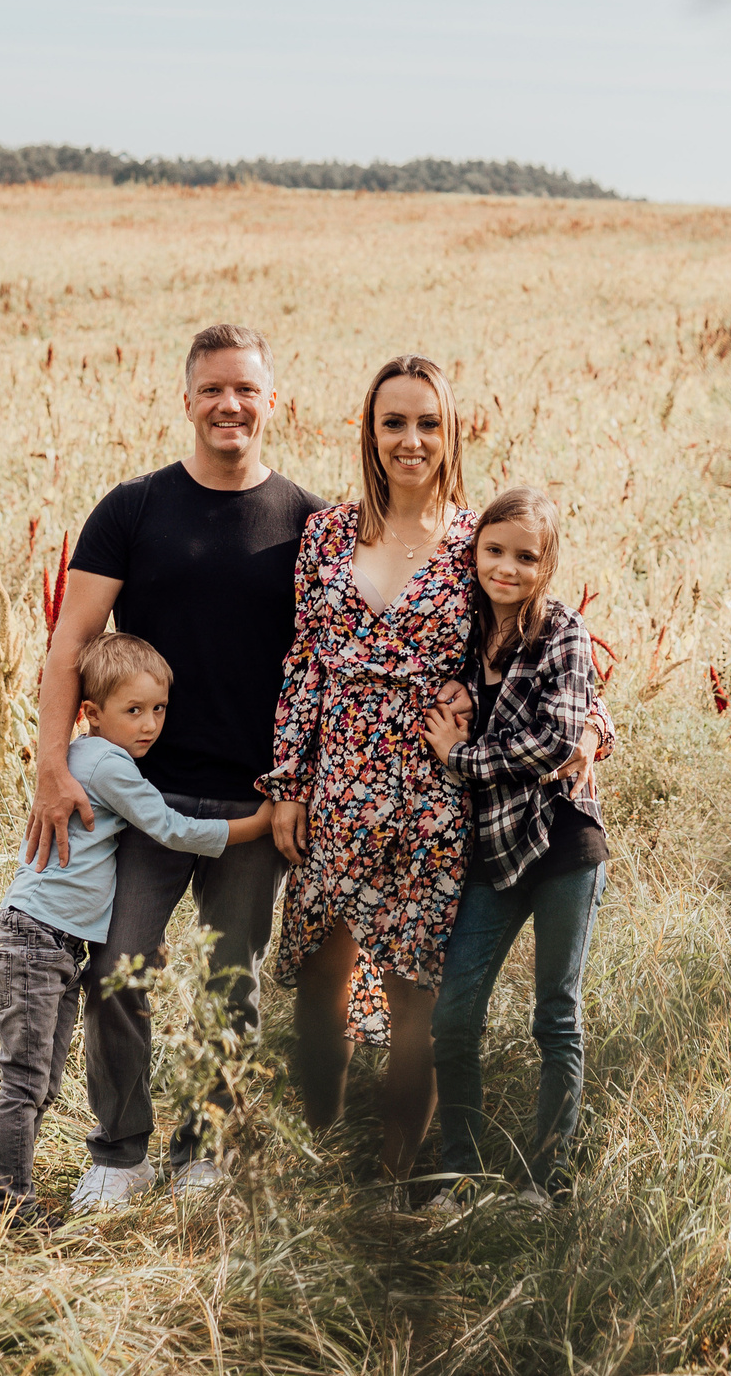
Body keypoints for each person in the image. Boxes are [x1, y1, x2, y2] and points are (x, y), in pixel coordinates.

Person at [24, 324, 326, 1212]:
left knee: (231, 981)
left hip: (254, 803)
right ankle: (120, 1152)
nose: (230, 405)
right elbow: (69, 644)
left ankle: (208, 1149)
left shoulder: (310, 521)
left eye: (247, 390)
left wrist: (302, 790)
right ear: (186, 399)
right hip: (135, 799)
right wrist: (52, 765)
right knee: (119, 971)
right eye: (213, 390)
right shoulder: (134, 508)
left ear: (273, 402)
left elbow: (331, 664)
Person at [261, 354, 480, 1187]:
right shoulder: (325, 534)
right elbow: (304, 665)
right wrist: (287, 784)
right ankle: (321, 1145)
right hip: (337, 783)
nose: (411, 439)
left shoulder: (473, 541)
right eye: (394, 422)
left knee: (413, 987)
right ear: (370, 431)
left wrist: (584, 731)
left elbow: (531, 642)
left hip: (429, 795)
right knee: (322, 970)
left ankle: (392, 1181)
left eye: (428, 422)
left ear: (451, 431)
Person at [0, 634, 271, 1222]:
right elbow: (170, 827)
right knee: (27, 1083)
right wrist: (256, 824)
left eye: (159, 709)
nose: (149, 725)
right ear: (91, 713)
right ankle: (5, 1202)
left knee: (37, 1080)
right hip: (38, 942)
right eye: (133, 711)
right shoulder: (107, 764)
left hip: (52, 942)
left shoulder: (97, 758)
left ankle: (13, 1194)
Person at [421, 487, 613, 1208]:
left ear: (547, 563)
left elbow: (560, 736)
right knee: (453, 1014)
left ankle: (546, 1179)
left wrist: (464, 759)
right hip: (493, 851)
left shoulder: (561, 627)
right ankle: (458, 1170)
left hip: (563, 841)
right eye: (493, 550)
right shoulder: (461, 632)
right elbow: (582, 717)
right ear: (474, 552)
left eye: (525, 556)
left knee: (554, 1013)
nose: (505, 567)